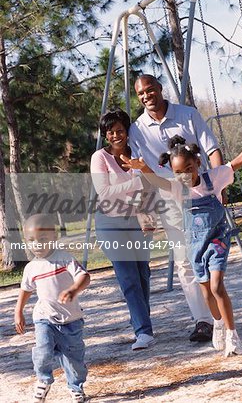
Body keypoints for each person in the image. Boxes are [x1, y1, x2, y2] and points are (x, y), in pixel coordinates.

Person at [122, 111, 242, 356]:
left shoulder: (212, 179)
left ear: (197, 163)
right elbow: (154, 179)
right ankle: (216, 322)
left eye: (188, 168)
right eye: (178, 172)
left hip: (217, 240)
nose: (185, 176)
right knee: (206, 290)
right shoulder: (176, 188)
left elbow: (240, 160)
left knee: (217, 287)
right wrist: (142, 167)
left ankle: (232, 334)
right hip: (195, 245)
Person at [129, 74, 224, 342]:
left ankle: (220, 314)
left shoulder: (187, 115)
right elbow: (141, 173)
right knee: (184, 261)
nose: (146, 96)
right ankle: (203, 321)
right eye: (141, 94)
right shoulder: (138, 129)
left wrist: (219, 185)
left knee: (209, 255)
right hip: (169, 201)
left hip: (200, 195)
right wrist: (143, 209)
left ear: (159, 89)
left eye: (150, 90)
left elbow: (212, 149)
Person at [90, 109, 155, 351]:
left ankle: (142, 322)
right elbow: (105, 192)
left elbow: (149, 188)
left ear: (127, 132)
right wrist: (139, 181)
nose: (116, 135)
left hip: (137, 220)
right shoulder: (100, 158)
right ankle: (144, 331)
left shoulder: (138, 154)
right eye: (111, 132)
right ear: (106, 135)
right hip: (110, 223)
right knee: (128, 277)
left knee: (143, 275)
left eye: (120, 130)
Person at [14, 214, 90, 403]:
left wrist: (73, 289)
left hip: (71, 320)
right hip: (44, 318)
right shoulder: (31, 268)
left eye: (42, 239)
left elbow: (84, 276)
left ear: (54, 237)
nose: (37, 244)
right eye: (31, 240)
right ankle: (43, 379)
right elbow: (25, 290)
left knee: (74, 360)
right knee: (43, 350)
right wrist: (18, 311)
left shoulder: (64, 259)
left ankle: (76, 387)